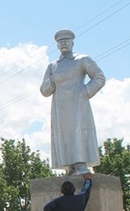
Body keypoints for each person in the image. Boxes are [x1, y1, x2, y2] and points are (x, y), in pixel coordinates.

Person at [40, 29, 106, 175]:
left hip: (78, 104)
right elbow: (44, 90)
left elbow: (99, 77)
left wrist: (86, 92)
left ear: (72, 43)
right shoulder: (53, 66)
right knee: (63, 134)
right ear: (57, 45)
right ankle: (69, 166)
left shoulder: (82, 60)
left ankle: (81, 163)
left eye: (66, 40)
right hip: (59, 107)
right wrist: (53, 80)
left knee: (78, 131)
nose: (63, 43)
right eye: (60, 41)